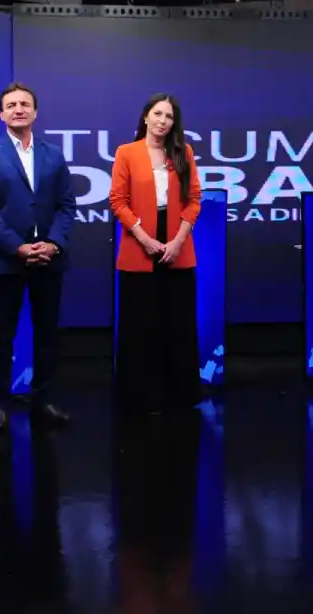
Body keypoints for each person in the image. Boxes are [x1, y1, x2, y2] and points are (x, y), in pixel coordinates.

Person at [0, 82, 75, 431]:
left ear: (35, 112)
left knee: (47, 336)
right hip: (5, 261)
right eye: (11, 105)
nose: (18, 109)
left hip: (49, 260)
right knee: (1, 338)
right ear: (1, 114)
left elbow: (66, 206)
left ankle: (43, 401)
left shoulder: (53, 155)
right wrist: (18, 247)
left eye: (25, 104)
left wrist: (53, 243)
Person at [109, 93, 203, 416]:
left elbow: (194, 200)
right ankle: (138, 397)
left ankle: (179, 395)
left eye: (169, 116)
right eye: (158, 114)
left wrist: (177, 241)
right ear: (146, 116)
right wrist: (144, 238)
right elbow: (118, 201)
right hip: (139, 245)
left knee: (177, 324)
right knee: (139, 326)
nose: (163, 121)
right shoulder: (126, 152)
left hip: (177, 246)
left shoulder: (183, 152)